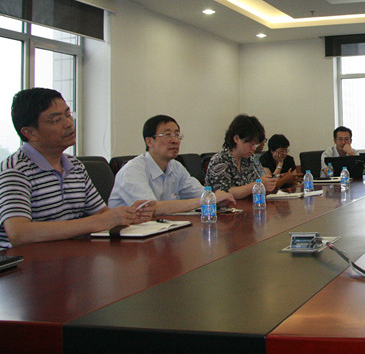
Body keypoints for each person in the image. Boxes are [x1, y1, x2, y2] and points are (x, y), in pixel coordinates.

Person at [0, 88, 153, 249]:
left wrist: (127, 216)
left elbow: (101, 213)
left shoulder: (75, 166)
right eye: (56, 120)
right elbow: (20, 233)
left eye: (68, 115)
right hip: (31, 262)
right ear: (30, 133)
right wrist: (99, 221)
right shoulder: (15, 170)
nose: (68, 123)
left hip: (72, 255)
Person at [109, 115, 235, 216]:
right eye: (167, 135)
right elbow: (151, 208)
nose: (175, 140)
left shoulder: (176, 167)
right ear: (149, 141)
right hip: (127, 235)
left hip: (162, 229)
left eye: (177, 135)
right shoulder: (132, 171)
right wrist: (207, 200)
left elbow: (200, 194)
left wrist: (217, 200)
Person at [205, 115, 278, 199]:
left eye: (255, 144)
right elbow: (224, 193)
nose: (254, 148)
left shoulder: (250, 159)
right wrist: (258, 184)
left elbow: (259, 184)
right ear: (236, 139)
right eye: (251, 144)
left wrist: (268, 184)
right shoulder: (219, 160)